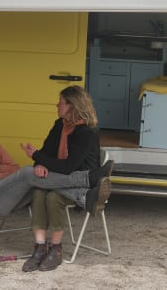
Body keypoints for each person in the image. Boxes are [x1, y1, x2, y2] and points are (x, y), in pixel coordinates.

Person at [0, 107, 111, 219]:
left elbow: (13, 168)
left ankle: (84, 196)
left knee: (38, 179)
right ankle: (86, 179)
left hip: (8, 193)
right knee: (28, 172)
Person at [19, 85, 113, 272]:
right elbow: (46, 153)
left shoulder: (87, 133)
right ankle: (40, 247)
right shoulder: (59, 125)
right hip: (56, 177)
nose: (57, 105)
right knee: (38, 191)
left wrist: (36, 156)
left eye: (61, 102)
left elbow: (69, 167)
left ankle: (56, 249)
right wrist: (39, 165)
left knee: (53, 197)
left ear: (72, 106)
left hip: (77, 182)